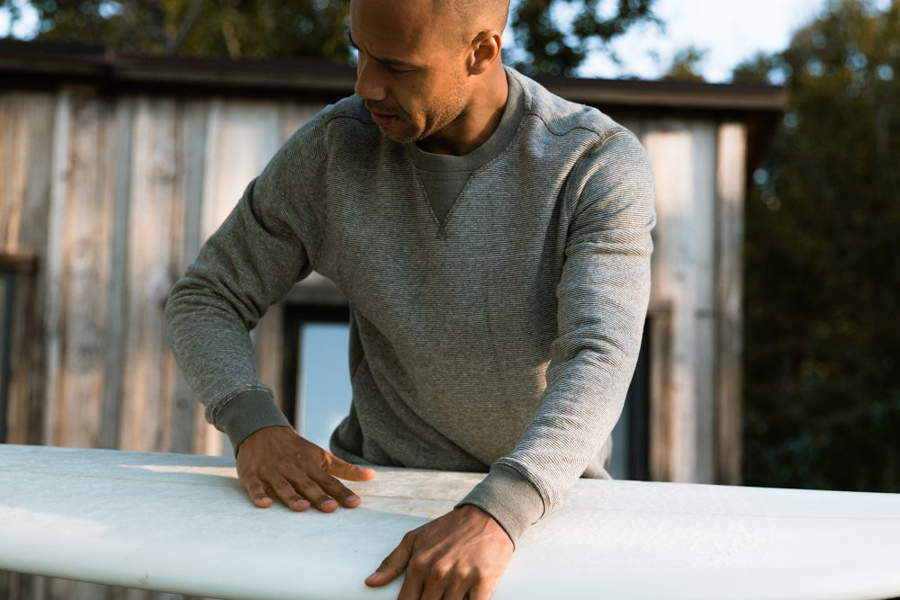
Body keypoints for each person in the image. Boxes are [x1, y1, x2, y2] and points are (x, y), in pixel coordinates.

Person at [163, 0, 656, 597]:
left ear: (481, 52)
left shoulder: (593, 162)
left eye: (397, 67)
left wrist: (501, 508)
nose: (366, 85)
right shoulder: (333, 151)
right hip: (366, 501)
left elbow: (599, 353)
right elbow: (206, 296)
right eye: (359, 51)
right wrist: (252, 424)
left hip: (539, 511)